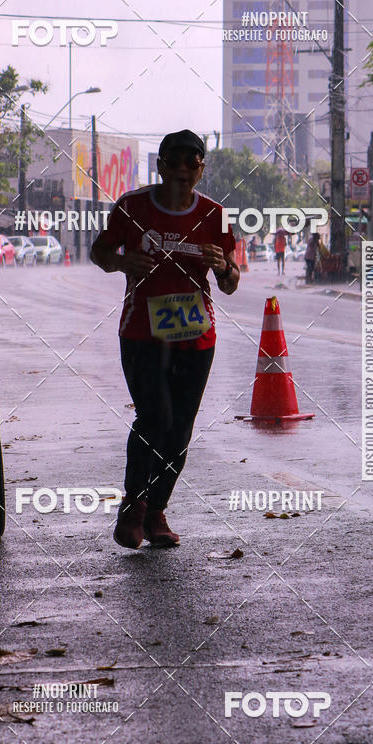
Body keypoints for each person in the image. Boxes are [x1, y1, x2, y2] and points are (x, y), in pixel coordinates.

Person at [90, 129, 239, 550]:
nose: (181, 171)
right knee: (155, 417)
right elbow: (99, 253)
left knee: (179, 429)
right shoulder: (132, 207)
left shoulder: (216, 215)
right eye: (173, 162)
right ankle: (133, 505)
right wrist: (124, 263)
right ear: (160, 166)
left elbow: (231, 282)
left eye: (191, 164)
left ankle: (156, 511)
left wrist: (222, 267)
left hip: (197, 337)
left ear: (201, 169)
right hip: (142, 333)